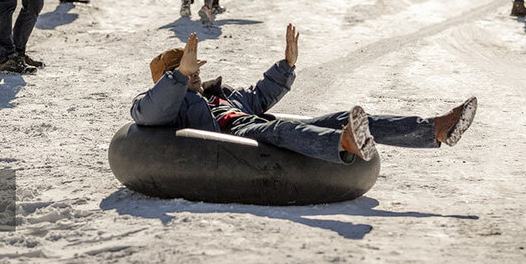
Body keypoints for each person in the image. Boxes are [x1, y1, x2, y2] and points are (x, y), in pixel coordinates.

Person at [132, 27, 478, 165]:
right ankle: (344, 145)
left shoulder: (219, 96)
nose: (197, 72)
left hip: (251, 124)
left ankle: (435, 129)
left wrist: (286, 65)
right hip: (231, 141)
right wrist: (178, 76)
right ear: (169, 76)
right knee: (279, 131)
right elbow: (149, 111)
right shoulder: (167, 107)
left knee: (343, 116)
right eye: (190, 67)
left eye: (195, 66)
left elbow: (258, 97)